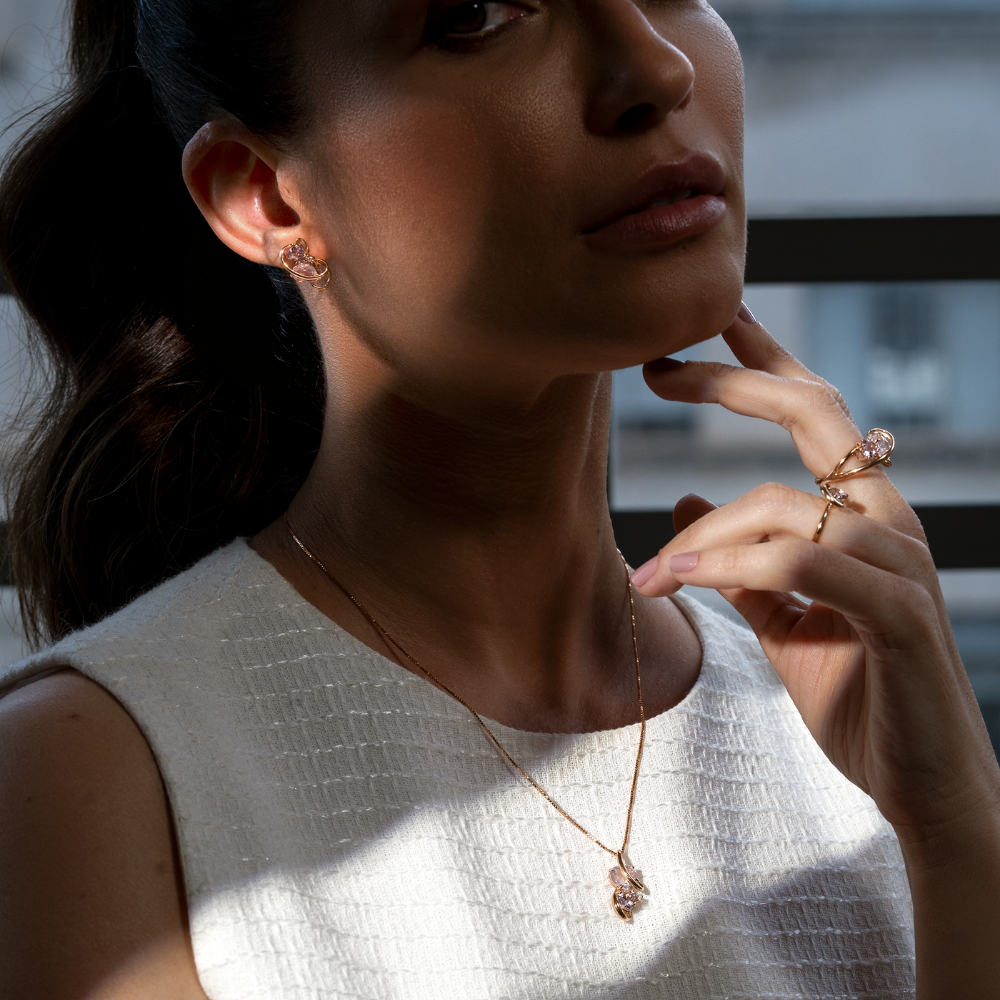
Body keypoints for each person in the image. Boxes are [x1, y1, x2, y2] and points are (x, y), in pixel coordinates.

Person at [0, 0, 997, 997]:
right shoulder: (96, 783)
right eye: (476, 14)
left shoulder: (850, 723)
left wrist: (957, 827)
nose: (657, 70)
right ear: (266, 197)